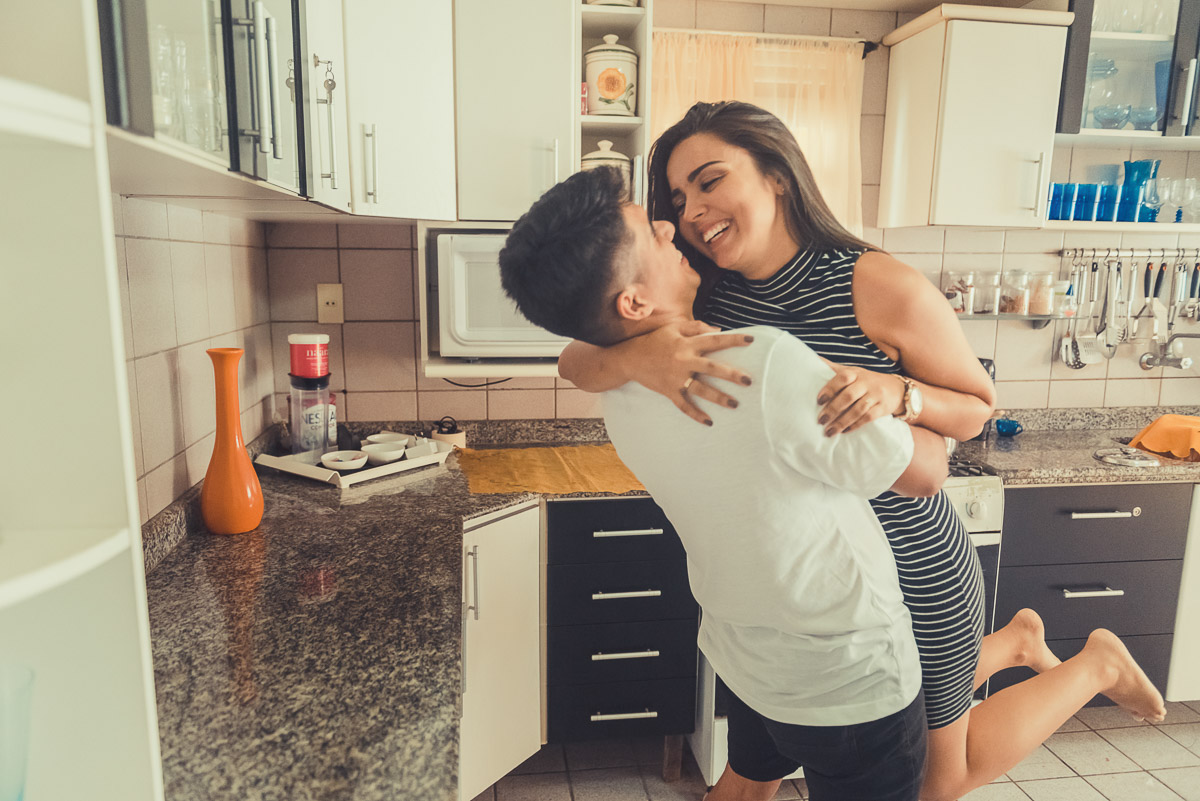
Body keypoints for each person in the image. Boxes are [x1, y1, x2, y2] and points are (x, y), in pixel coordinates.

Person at [555, 103, 1166, 801]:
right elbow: (577, 356)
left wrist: (898, 393)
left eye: (709, 181)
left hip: (910, 559)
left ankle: (1094, 664)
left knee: (940, 777)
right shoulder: (705, 289)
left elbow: (976, 406)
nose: (691, 210)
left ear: (778, 176)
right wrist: (648, 353)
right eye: (678, 197)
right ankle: (1017, 640)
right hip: (808, 579)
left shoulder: (875, 283)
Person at [501, 164, 950, 801]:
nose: (669, 223)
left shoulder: (620, 384)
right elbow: (921, 473)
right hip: (847, 671)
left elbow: (577, 359)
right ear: (633, 303)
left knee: (747, 783)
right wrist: (904, 396)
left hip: (745, 652)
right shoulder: (763, 359)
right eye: (652, 228)